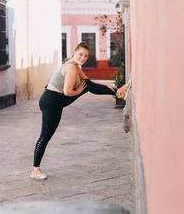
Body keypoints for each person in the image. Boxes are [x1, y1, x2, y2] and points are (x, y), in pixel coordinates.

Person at [30, 41, 131, 180]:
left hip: (56, 100)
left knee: (88, 84)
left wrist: (113, 88)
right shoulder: (71, 68)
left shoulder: (76, 66)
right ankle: (35, 170)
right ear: (74, 53)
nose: (83, 58)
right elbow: (67, 92)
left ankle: (119, 91)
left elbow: (91, 83)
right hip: (51, 103)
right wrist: (78, 90)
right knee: (45, 136)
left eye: (86, 56)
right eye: (80, 54)